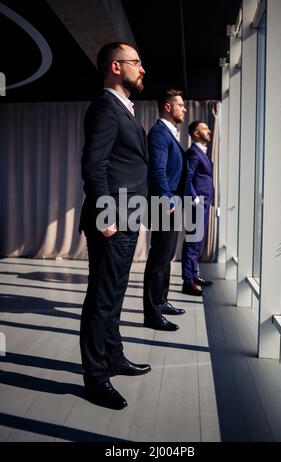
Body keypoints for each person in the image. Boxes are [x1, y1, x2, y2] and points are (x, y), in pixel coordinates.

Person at [79, 42, 151, 411]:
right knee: (102, 300)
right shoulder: (105, 108)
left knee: (115, 294)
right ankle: (95, 377)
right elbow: (94, 165)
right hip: (113, 219)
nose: (142, 68)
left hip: (128, 215)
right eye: (135, 62)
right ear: (114, 67)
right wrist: (106, 217)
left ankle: (113, 356)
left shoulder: (123, 109)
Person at [143, 89, 187, 332]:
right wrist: (168, 200)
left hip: (172, 205)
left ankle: (161, 300)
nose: (184, 108)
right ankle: (152, 314)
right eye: (180, 104)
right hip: (164, 205)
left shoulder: (170, 134)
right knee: (158, 258)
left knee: (167, 255)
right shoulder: (159, 133)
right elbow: (157, 170)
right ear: (168, 107)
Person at [181, 120, 214, 295]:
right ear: (195, 133)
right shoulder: (193, 153)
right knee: (193, 242)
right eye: (205, 128)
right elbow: (188, 177)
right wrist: (195, 200)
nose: (209, 131)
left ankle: (194, 275)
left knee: (198, 242)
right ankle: (187, 282)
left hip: (205, 203)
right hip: (197, 204)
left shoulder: (203, 152)